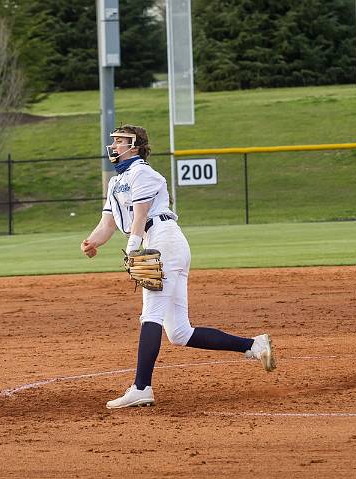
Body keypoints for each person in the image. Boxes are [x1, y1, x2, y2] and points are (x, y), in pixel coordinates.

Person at [81, 125, 276, 409]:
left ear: (135, 146)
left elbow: (141, 214)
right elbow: (108, 224)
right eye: (114, 142)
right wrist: (92, 242)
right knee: (180, 333)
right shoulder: (115, 182)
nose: (114, 146)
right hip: (157, 241)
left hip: (164, 240)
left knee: (151, 315)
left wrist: (134, 246)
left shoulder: (144, 173)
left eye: (120, 141)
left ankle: (141, 387)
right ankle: (254, 345)